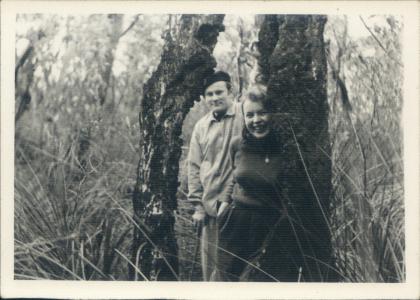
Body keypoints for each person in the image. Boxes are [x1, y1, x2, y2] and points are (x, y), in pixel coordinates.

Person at [216, 85, 300, 281]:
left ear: (272, 114)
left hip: (270, 225)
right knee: (227, 281)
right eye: (250, 115)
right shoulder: (237, 144)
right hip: (235, 225)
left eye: (262, 113)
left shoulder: (287, 148)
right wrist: (224, 207)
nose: (256, 121)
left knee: (261, 282)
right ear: (244, 118)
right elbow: (233, 176)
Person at [187, 70, 243, 281]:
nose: (214, 98)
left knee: (233, 271)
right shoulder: (201, 126)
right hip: (210, 211)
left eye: (219, 92)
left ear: (231, 91)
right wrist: (198, 207)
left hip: (238, 209)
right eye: (209, 94)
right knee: (210, 271)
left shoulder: (245, 115)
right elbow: (193, 166)